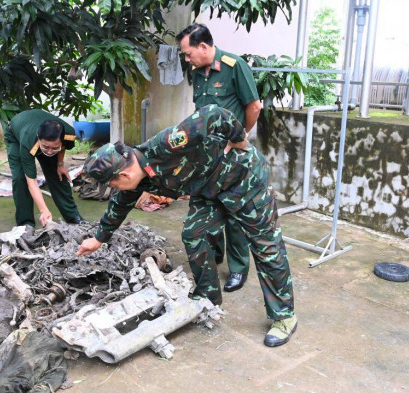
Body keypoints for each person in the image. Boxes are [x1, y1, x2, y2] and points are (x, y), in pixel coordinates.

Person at [76, 105, 297, 347]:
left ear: (124, 176)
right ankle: (208, 296)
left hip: (244, 180)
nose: (116, 191)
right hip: (208, 190)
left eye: (114, 185)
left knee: (265, 246)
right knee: (194, 234)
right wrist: (99, 238)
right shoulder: (137, 179)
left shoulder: (166, 144)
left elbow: (213, 113)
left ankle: (284, 316)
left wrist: (239, 139)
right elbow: (119, 205)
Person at [176, 23, 263, 292]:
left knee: (235, 213)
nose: (187, 59)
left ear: (203, 46)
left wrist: (239, 138)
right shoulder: (198, 73)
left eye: (188, 53)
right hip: (206, 155)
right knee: (208, 206)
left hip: (232, 155)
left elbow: (254, 106)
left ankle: (238, 269)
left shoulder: (233, 66)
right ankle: (213, 257)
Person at [5, 109, 85, 227]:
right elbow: (31, 181)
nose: (49, 152)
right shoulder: (29, 142)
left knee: (58, 174)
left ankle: (73, 217)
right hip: (16, 135)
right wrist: (44, 210)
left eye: (54, 148)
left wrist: (60, 164)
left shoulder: (69, 134)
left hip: (39, 130)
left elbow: (62, 147)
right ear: (38, 138)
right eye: (45, 147)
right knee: (20, 178)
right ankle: (25, 223)